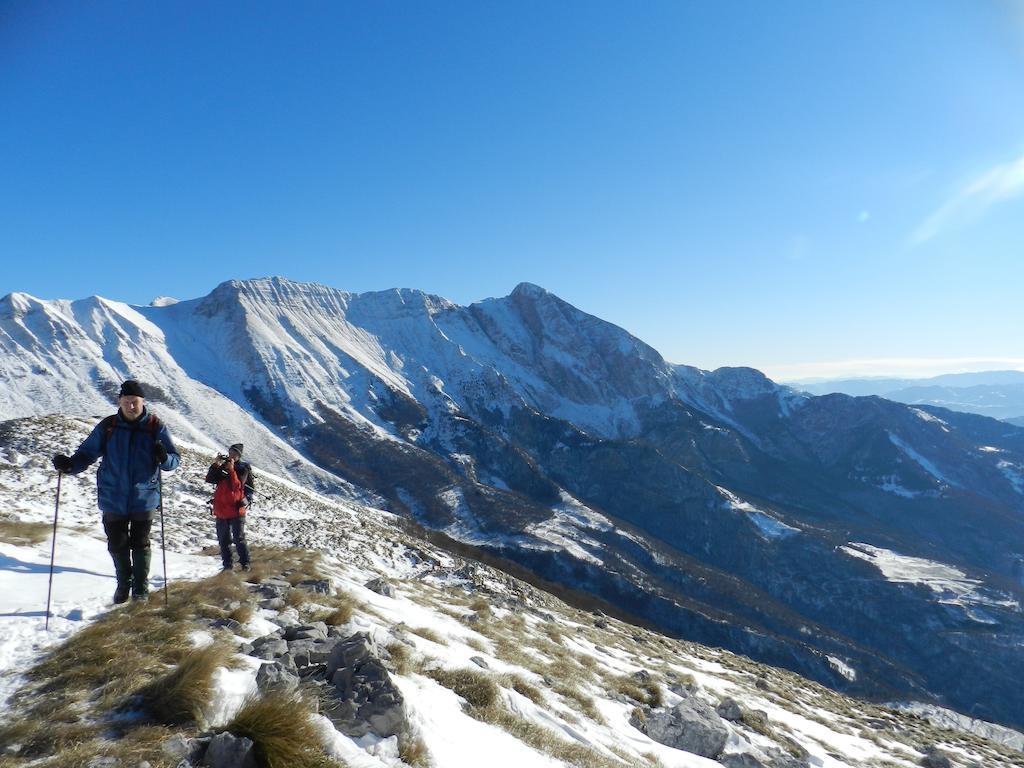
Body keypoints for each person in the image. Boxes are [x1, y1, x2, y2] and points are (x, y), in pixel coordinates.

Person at [52, 379, 180, 603]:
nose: (131, 406)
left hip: (144, 497)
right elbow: (88, 453)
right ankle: (124, 583)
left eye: (135, 402)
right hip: (113, 497)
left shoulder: (154, 426)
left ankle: (140, 588)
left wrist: (164, 457)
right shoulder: (108, 426)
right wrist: (71, 465)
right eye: (127, 401)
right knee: (117, 543)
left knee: (140, 542)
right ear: (120, 401)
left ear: (143, 402)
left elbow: (173, 460)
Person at [205, 443, 252, 571]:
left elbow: (236, 485)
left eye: (235, 453)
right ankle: (227, 567)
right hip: (221, 510)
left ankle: (245, 564)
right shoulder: (223, 467)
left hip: (236, 510)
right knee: (224, 540)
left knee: (239, 539)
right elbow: (210, 479)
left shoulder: (243, 468)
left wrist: (231, 470)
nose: (232, 455)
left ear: (239, 456)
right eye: (231, 452)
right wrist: (215, 465)